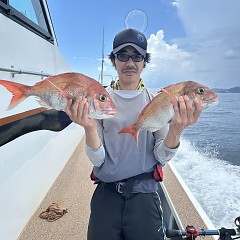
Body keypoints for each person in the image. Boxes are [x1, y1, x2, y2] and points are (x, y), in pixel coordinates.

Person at [65, 28, 202, 240]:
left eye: (137, 56)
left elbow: (161, 156)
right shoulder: (100, 101)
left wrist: (176, 129)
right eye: (122, 56)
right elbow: (98, 160)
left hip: (145, 194)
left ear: (144, 61)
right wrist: (89, 127)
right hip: (106, 193)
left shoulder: (158, 100)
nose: (130, 63)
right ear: (114, 61)